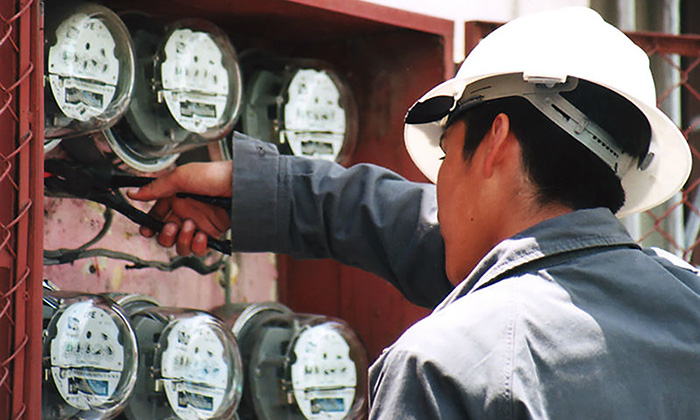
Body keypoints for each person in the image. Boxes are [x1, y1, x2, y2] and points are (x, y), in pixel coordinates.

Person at [129, 7, 700, 419]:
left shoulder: (441, 367)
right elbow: (521, 262)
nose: (441, 184)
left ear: (496, 140)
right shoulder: (685, 307)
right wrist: (269, 193)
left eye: (448, 153)